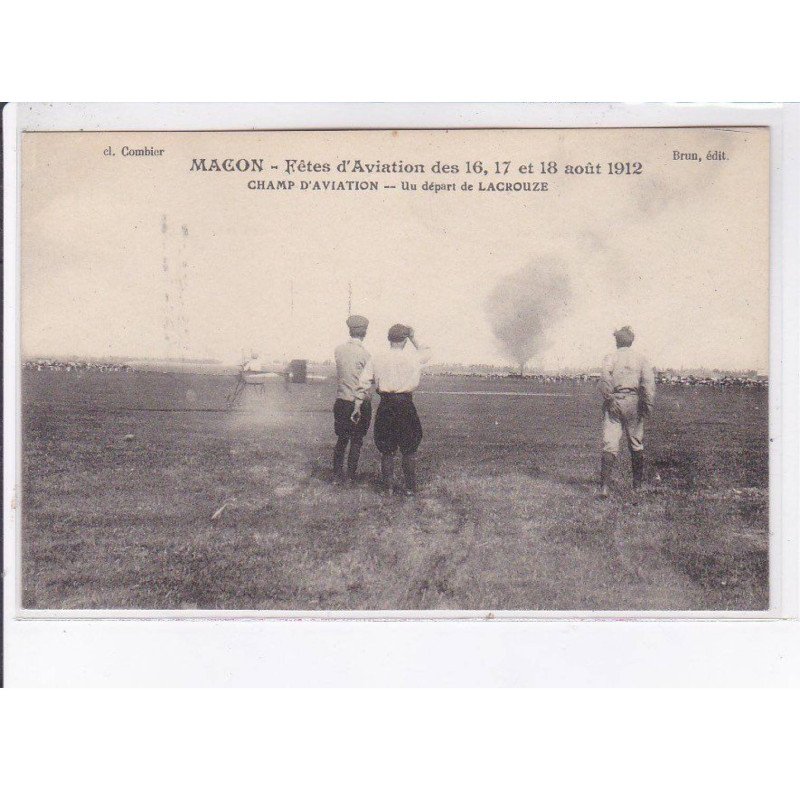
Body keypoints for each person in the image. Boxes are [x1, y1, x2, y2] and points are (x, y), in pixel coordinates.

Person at [352, 324, 431, 496]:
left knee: (387, 449)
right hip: (405, 405)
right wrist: (413, 336)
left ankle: (387, 488)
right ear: (405, 340)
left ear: (389, 339)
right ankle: (410, 488)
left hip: (386, 405)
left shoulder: (377, 358)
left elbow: (363, 383)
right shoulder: (413, 357)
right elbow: (427, 352)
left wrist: (357, 405)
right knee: (409, 448)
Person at [598, 325, 655, 498]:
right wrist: (647, 406)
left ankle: (604, 488)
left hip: (615, 401)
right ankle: (637, 486)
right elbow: (648, 384)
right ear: (631, 341)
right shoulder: (641, 359)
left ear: (617, 341)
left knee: (610, 443)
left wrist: (609, 399)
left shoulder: (610, 357)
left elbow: (604, 380)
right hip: (634, 402)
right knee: (636, 444)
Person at [332, 315, 372, 483]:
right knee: (357, 440)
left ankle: (336, 475)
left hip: (342, 400)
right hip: (360, 402)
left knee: (342, 439)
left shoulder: (339, 350)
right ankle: (350, 476)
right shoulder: (365, 354)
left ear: (350, 331)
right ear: (365, 333)